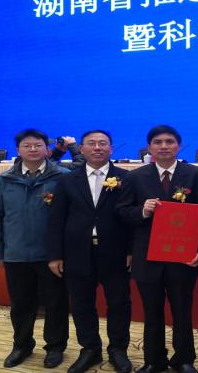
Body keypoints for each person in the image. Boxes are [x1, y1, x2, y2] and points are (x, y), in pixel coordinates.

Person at [118, 125, 198, 373]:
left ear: (179, 146)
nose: (164, 146)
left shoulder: (196, 175)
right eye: (158, 142)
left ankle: (184, 360)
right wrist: (142, 211)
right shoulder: (135, 177)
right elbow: (122, 213)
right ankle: (153, 360)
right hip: (147, 256)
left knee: (182, 312)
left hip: (183, 257)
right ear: (149, 147)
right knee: (152, 313)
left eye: (169, 142)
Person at [47, 130, 133, 373]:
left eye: (103, 143)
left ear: (111, 148)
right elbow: (56, 219)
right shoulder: (67, 180)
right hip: (77, 252)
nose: (97, 147)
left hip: (116, 252)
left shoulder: (127, 178)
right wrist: (55, 255)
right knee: (82, 303)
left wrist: (131, 250)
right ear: (82, 149)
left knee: (119, 303)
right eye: (91, 143)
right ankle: (90, 349)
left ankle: (118, 349)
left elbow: (132, 219)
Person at [0, 128, 70, 368]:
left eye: (38, 145)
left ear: (47, 149)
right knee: (21, 305)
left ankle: (55, 347)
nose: (33, 149)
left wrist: (64, 252)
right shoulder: (4, 180)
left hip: (52, 256)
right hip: (16, 254)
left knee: (56, 303)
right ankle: (22, 345)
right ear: (18, 150)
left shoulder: (63, 178)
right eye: (27, 146)